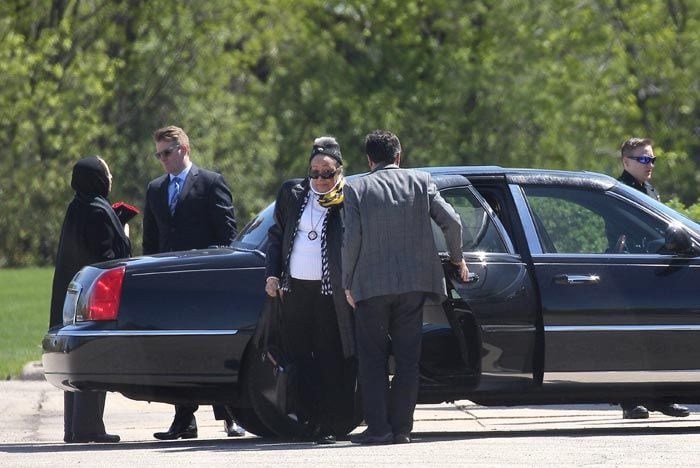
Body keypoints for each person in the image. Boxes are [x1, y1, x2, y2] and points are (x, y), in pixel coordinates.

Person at [342, 130, 469, 445]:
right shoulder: (421, 181)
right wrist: (458, 259)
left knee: (372, 359)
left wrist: (347, 282)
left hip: (370, 286)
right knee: (408, 359)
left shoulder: (356, 189)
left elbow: (352, 240)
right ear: (399, 157)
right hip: (414, 285)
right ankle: (402, 429)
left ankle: (378, 428)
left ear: (369, 160)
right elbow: (453, 222)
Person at [143, 125, 244, 439]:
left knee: (215, 348)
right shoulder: (156, 189)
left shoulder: (211, 183)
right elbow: (151, 241)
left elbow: (227, 234)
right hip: (170, 284)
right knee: (176, 351)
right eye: (158, 154)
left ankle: (230, 416)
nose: (162, 160)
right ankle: (183, 419)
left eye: (166, 153)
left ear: (183, 149)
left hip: (206, 281)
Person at [265, 136, 356, 445]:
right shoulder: (293, 193)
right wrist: (272, 275)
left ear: (340, 171)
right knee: (301, 357)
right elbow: (276, 236)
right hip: (296, 291)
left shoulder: (349, 198)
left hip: (331, 294)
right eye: (314, 172)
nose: (319, 179)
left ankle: (330, 423)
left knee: (330, 357)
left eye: (327, 173)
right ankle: (307, 420)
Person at [50, 156, 131, 443]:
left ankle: (74, 428)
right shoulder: (98, 210)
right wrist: (124, 233)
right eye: (107, 174)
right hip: (95, 301)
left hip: (73, 298)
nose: (110, 179)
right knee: (95, 360)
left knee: (76, 363)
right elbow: (109, 260)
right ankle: (89, 428)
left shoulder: (77, 207)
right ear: (97, 178)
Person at [616, 137, 690, 420]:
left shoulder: (649, 189)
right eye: (644, 159)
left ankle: (662, 397)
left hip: (655, 266)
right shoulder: (620, 190)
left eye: (652, 159)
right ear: (626, 161)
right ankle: (630, 400)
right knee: (633, 338)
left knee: (660, 337)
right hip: (632, 269)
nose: (650, 165)